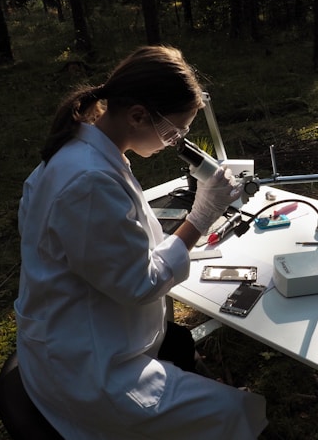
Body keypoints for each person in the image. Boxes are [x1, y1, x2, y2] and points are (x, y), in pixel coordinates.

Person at [15, 46, 267, 439]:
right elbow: (139, 283)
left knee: (186, 355)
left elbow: (109, 250)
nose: (177, 141)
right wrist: (201, 216)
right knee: (234, 412)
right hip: (89, 372)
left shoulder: (79, 152)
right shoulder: (89, 181)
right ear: (136, 116)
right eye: (175, 131)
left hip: (77, 340)